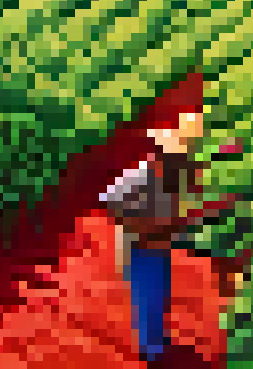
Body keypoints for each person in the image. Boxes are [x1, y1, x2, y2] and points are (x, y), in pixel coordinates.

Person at [100, 110, 213, 363]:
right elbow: (109, 200)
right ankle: (150, 349)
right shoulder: (141, 175)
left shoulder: (174, 178)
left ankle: (156, 339)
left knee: (160, 293)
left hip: (158, 245)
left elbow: (190, 195)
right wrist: (138, 224)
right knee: (147, 295)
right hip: (140, 249)